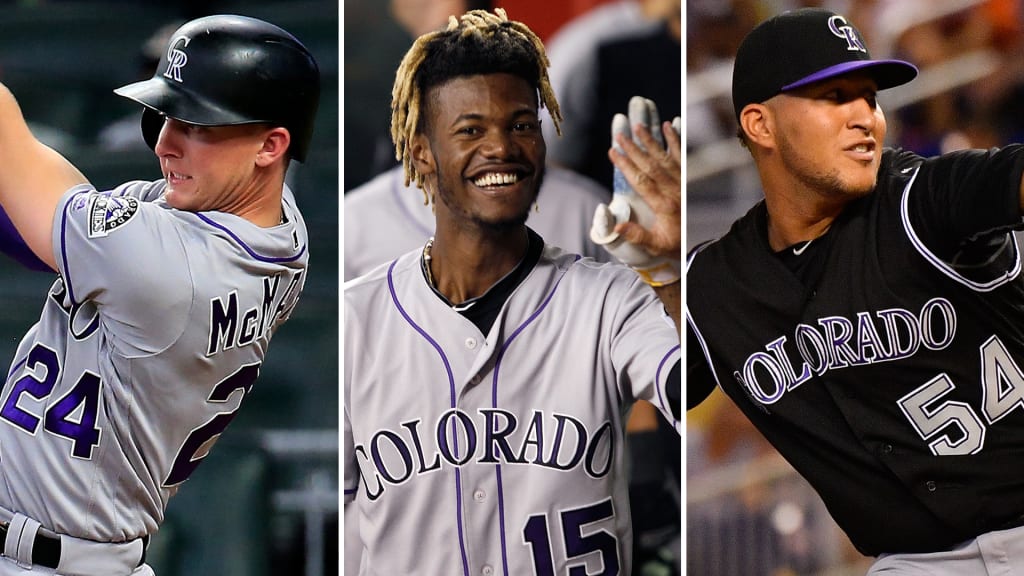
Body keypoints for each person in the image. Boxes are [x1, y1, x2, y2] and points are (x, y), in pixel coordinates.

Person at [343, 8, 681, 576]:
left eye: (522, 125)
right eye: (470, 130)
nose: (502, 146)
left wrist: (670, 273)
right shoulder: (360, 316)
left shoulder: (609, 297)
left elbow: (689, 380)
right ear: (422, 151)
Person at [687, 7, 1024, 574]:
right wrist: (657, 274)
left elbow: (1006, 177)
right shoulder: (717, 286)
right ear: (759, 125)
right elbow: (632, 383)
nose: (865, 116)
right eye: (835, 97)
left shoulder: (920, 201)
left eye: (870, 97)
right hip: (913, 563)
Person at [0, 14, 319, 575]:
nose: (166, 143)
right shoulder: (279, 230)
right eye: (164, 116)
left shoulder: (172, 265)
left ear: (271, 145)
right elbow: (47, 239)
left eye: (197, 124)